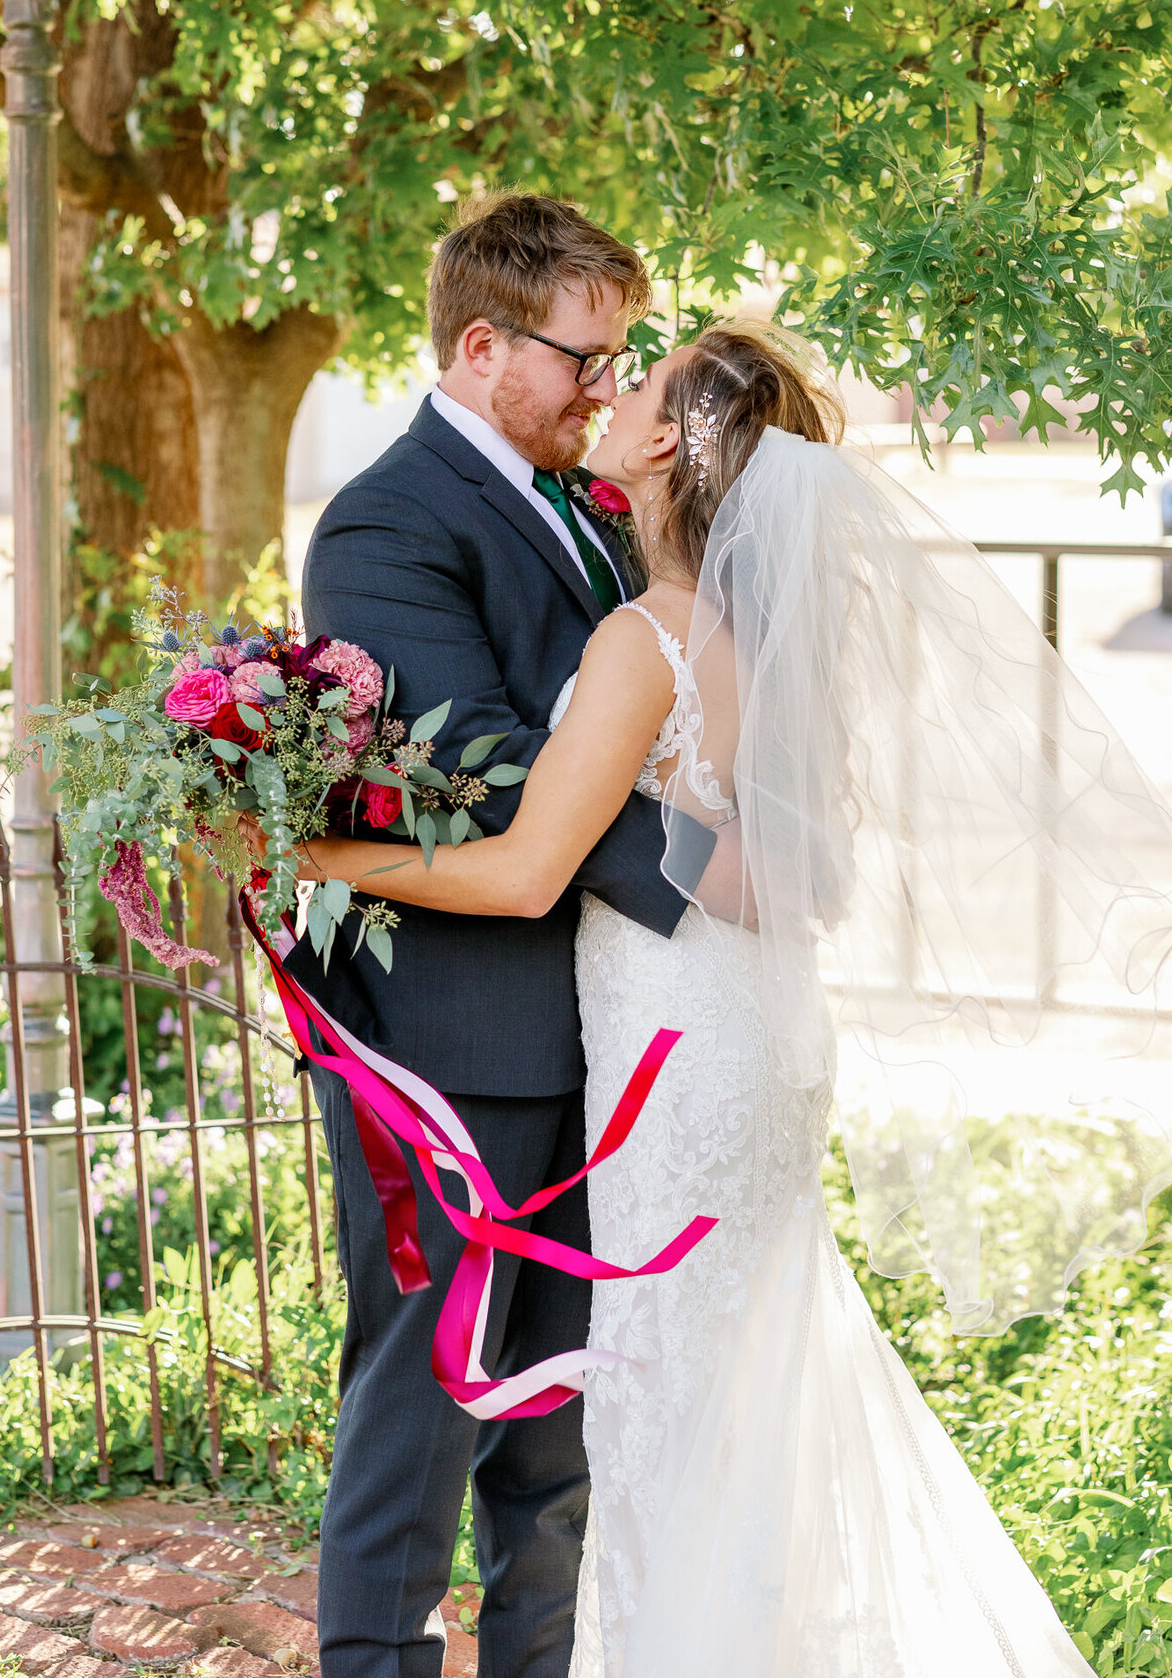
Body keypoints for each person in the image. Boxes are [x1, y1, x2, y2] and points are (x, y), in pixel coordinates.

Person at [279, 319, 1172, 1674]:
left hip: (672, 1053)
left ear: (663, 445)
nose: (612, 387)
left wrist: (315, 854)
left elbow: (527, 874)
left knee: (668, 1409)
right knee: (737, 1389)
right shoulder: (773, 639)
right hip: (755, 1036)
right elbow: (802, 882)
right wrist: (680, 839)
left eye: (634, 379)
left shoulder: (644, 639)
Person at [282, 192, 716, 1678]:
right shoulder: (387, 524)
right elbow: (489, 777)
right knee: (419, 1418)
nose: (606, 388)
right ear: (481, 347)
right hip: (451, 1049)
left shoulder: (584, 506)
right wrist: (721, 875)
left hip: (595, 1036)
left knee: (555, 1446)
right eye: (584, 359)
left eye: (617, 361)